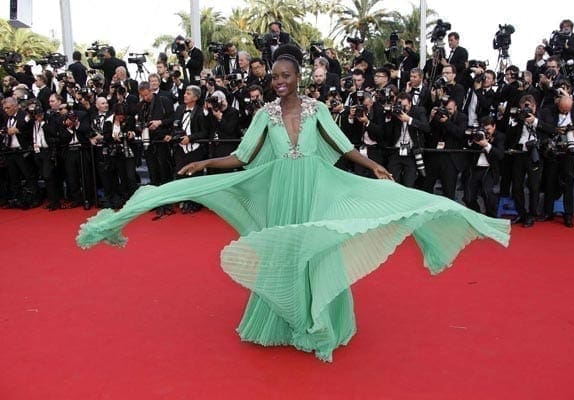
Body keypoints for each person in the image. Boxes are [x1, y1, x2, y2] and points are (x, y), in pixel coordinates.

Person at [77, 45, 510, 363]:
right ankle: (281, 321)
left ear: (299, 77)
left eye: (286, 75)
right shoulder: (263, 114)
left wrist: (374, 166)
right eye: (275, 76)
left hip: (315, 187)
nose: (279, 81)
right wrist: (206, 161)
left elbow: (341, 147)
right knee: (285, 251)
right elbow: (243, 157)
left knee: (317, 248)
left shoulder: (319, 109)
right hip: (283, 190)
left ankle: (319, 322)